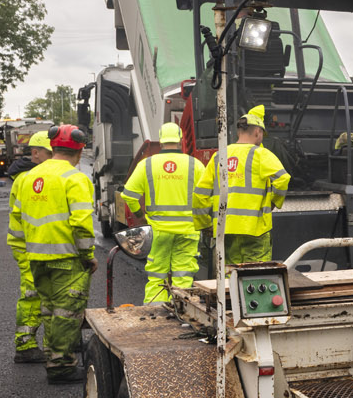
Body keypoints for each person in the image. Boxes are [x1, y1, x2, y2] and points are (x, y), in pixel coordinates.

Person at [11, 125, 94, 383]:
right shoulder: (75, 178)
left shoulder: (25, 178)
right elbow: (81, 223)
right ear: (79, 151)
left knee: (49, 311)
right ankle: (61, 366)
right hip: (66, 259)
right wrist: (87, 255)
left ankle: (52, 356)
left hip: (36, 258)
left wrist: (24, 256)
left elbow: (16, 223)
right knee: (67, 313)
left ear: (53, 147)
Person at [194, 105, 290, 264]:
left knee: (229, 277)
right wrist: (274, 202)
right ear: (258, 132)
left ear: (239, 132)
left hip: (225, 229)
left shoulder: (219, 156)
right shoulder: (260, 154)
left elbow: (200, 194)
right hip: (255, 229)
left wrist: (205, 225)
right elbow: (283, 179)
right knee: (256, 277)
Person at [120, 122, 202, 302]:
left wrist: (140, 217)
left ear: (161, 140)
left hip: (158, 231)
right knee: (183, 275)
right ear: (180, 139)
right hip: (188, 231)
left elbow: (129, 195)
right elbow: (207, 197)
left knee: (157, 276)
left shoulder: (147, 165)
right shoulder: (194, 164)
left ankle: (154, 313)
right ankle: (183, 311)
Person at [7, 131, 53, 362]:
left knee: (47, 292)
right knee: (32, 293)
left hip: (34, 243)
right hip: (28, 245)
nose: (54, 158)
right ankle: (25, 346)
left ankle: (55, 341)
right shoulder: (28, 179)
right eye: (49, 153)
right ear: (35, 153)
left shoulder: (30, 176)